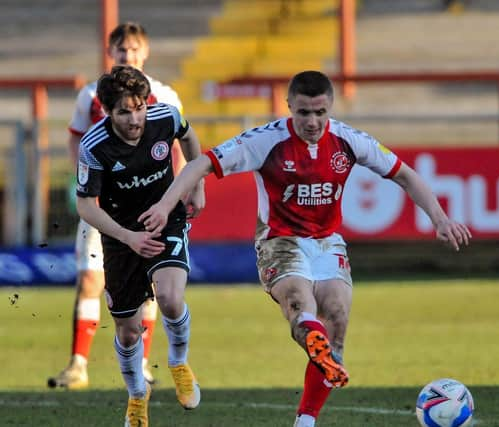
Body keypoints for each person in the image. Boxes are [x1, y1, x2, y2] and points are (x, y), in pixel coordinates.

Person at [139, 70, 471, 427]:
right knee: (300, 301)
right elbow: (203, 163)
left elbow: (404, 173)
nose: (312, 121)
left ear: (330, 107)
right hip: (279, 241)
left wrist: (440, 219)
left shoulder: (348, 140)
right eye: (303, 113)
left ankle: (306, 417)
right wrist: (165, 204)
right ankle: (313, 336)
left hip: (328, 242)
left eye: (319, 112)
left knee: (337, 319)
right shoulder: (266, 141)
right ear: (289, 107)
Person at [48, 21, 186, 389]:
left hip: (152, 204)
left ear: (146, 52)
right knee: (91, 279)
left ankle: (141, 363)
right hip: (103, 206)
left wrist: (182, 192)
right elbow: (77, 141)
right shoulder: (92, 95)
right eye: (122, 50)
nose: (129, 56)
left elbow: (180, 145)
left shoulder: (165, 97)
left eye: (135, 49)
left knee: (153, 285)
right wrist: (83, 186)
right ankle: (78, 363)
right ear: (111, 53)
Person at [75, 65, 204, 425]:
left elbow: (192, 140)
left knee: (170, 298)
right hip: (120, 234)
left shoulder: (166, 118)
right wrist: (128, 237)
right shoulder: (94, 146)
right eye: (124, 111)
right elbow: (85, 205)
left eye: (139, 107)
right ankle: (136, 396)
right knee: (129, 331)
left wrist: (197, 184)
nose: (135, 119)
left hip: (165, 217)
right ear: (106, 111)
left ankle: (178, 362)